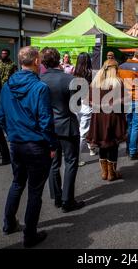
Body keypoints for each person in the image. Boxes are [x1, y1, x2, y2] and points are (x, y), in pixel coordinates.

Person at [0, 46, 57, 248]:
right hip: (35, 145)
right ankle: (29, 235)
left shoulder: (7, 86)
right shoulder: (40, 88)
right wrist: (52, 144)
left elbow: (1, 116)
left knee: (17, 182)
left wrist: (12, 133)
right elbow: (45, 121)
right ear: (36, 61)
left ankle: (8, 223)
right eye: (39, 59)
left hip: (16, 143)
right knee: (34, 191)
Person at [40, 48, 84, 213]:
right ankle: (67, 200)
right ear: (58, 60)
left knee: (53, 163)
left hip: (48, 126)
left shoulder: (39, 79)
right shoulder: (68, 79)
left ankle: (58, 197)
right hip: (66, 124)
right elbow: (77, 106)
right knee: (71, 161)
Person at [87, 59, 127, 181]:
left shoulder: (95, 81)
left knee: (102, 143)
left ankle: (105, 173)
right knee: (113, 144)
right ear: (115, 69)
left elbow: (89, 102)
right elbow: (123, 102)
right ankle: (111, 173)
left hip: (98, 117)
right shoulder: (118, 82)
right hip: (114, 116)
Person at [118, 47, 138, 160]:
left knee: (130, 125)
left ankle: (129, 148)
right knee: (136, 126)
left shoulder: (121, 66)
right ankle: (133, 151)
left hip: (126, 99)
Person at [74, 53, 98, 167]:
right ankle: (77, 158)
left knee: (81, 130)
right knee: (83, 132)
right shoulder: (92, 74)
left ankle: (91, 148)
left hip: (75, 104)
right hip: (87, 104)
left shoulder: (74, 73)